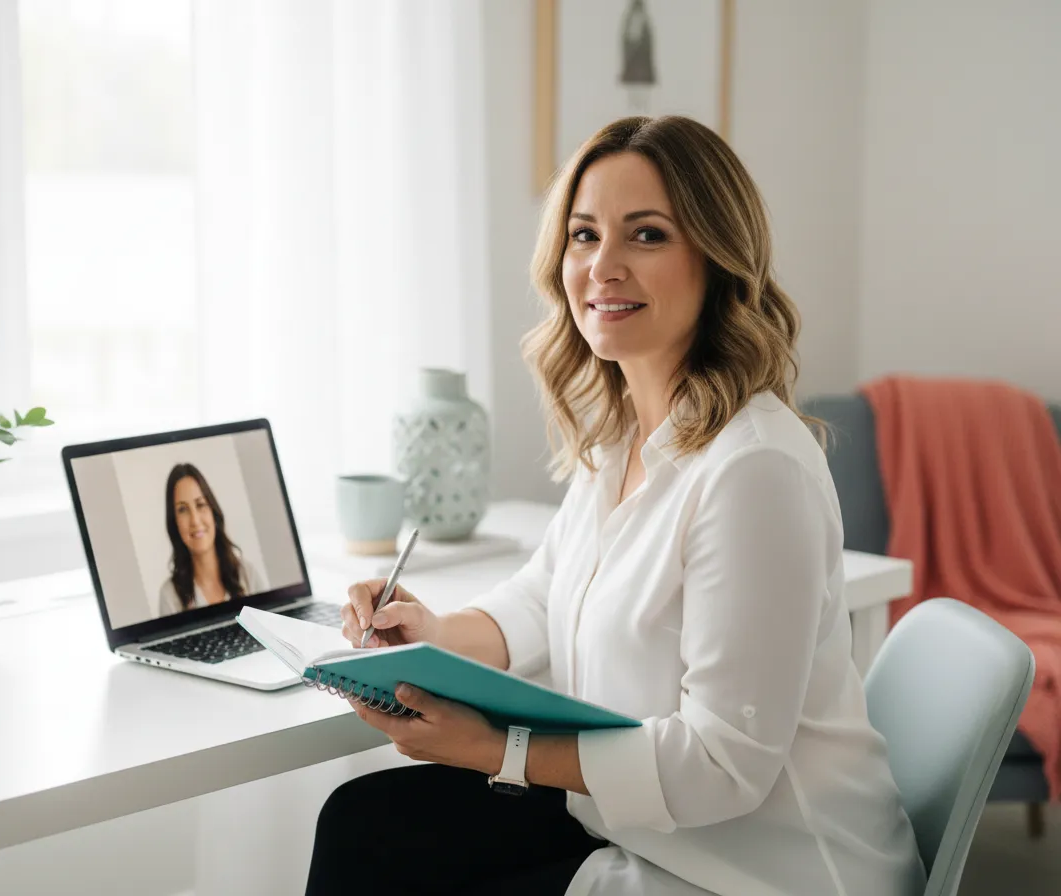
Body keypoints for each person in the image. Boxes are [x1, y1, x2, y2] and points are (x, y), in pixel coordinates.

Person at [307, 116, 927, 896]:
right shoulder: (622, 437)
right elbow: (543, 596)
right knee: (365, 827)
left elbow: (719, 764)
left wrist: (492, 748)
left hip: (763, 872)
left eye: (646, 236)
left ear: (717, 258)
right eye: (583, 234)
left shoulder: (754, 469)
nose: (603, 266)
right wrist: (430, 635)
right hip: (645, 832)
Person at [158, 463, 268, 616]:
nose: (195, 520)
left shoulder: (248, 575)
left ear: (213, 513)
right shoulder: (170, 596)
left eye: (200, 504)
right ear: (174, 523)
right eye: (182, 510)